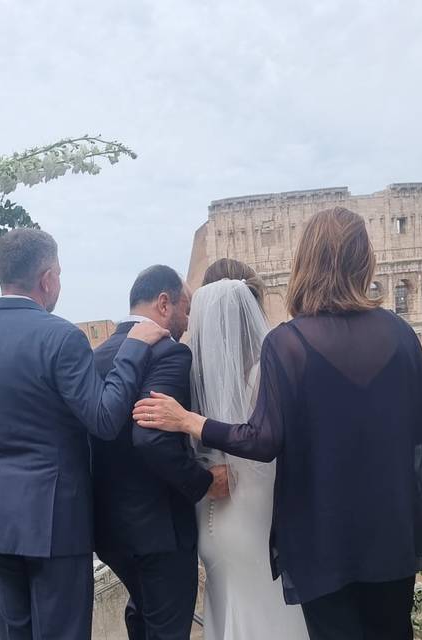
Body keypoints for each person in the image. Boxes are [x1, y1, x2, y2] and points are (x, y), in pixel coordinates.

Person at [134, 207, 422, 640]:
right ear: (364, 262)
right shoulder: (400, 334)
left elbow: (263, 440)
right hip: (390, 530)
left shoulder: (290, 344)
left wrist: (193, 422)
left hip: (323, 535)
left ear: (305, 262)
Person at [0, 228, 168, 640]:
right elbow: (103, 418)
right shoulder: (61, 337)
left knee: (16, 631)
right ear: (47, 278)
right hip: (54, 518)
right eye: (59, 275)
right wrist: (133, 348)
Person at [91, 265, 226, 640]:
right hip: (161, 533)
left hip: (109, 531)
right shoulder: (169, 354)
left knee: (141, 619)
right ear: (164, 303)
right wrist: (202, 482)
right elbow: (150, 439)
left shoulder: (97, 356)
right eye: (185, 309)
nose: (186, 321)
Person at [189, 258, 310, 640]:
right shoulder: (267, 372)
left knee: (227, 604)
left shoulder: (194, 374)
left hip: (210, 511)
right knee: (270, 605)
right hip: (261, 514)